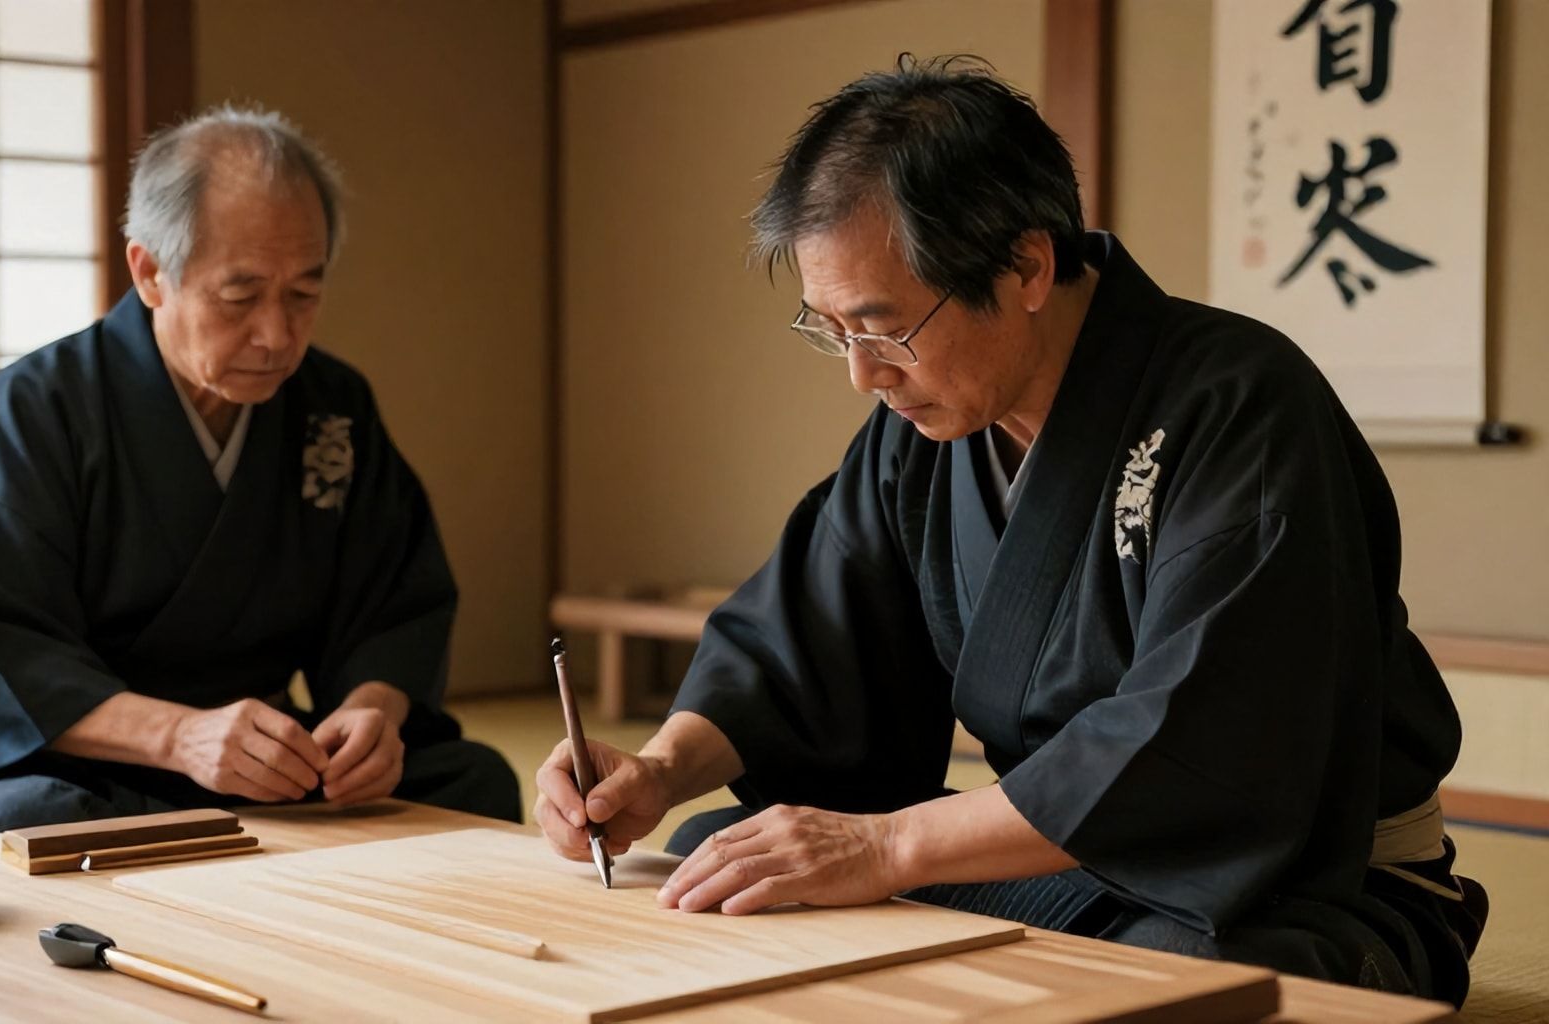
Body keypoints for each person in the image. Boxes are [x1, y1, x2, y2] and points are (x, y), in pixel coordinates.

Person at [535, 57, 1485, 1005]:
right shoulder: (926, 433)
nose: (863, 375)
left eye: (885, 328)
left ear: (1027, 265)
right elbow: (801, 640)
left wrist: (886, 846)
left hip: (1288, 882)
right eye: (832, 330)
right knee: (715, 862)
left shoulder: (1241, 406)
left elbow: (1197, 742)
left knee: (1165, 987)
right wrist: (659, 771)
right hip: (1078, 864)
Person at [0, 106, 519, 841]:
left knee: (473, 783)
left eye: (304, 294)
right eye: (241, 295)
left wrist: (370, 715)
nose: (277, 335)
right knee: (29, 823)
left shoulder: (331, 407)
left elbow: (393, 601)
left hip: (266, 765)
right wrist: (178, 738)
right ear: (150, 272)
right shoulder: (39, 408)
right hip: (90, 763)